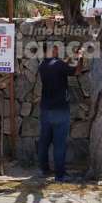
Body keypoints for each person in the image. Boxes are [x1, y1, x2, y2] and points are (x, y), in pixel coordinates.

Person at [38, 43, 83, 182]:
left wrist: (70, 57)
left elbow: (60, 66)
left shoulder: (43, 65)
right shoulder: (58, 65)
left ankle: (44, 170)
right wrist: (80, 57)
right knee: (59, 144)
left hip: (45, 110)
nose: (58, 50)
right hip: (60, 110)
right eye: (55, 48)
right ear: (51, 50)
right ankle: (60, 175)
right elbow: (76, 71)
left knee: (44, 141)